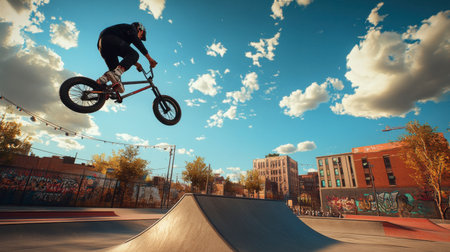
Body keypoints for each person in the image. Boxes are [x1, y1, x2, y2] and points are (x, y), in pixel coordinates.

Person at [96, 22, 157, 93]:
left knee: (114, 75)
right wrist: (150, 59)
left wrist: (136, 64)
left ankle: (99, 86)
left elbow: (123, 53)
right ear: (140, 30)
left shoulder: (124, 35)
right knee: (134, 55)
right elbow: (137, 43)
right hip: (109, 39)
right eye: (141, 36)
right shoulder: (132, 28)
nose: (140, 38)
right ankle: (114, 75)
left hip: (102, 46)